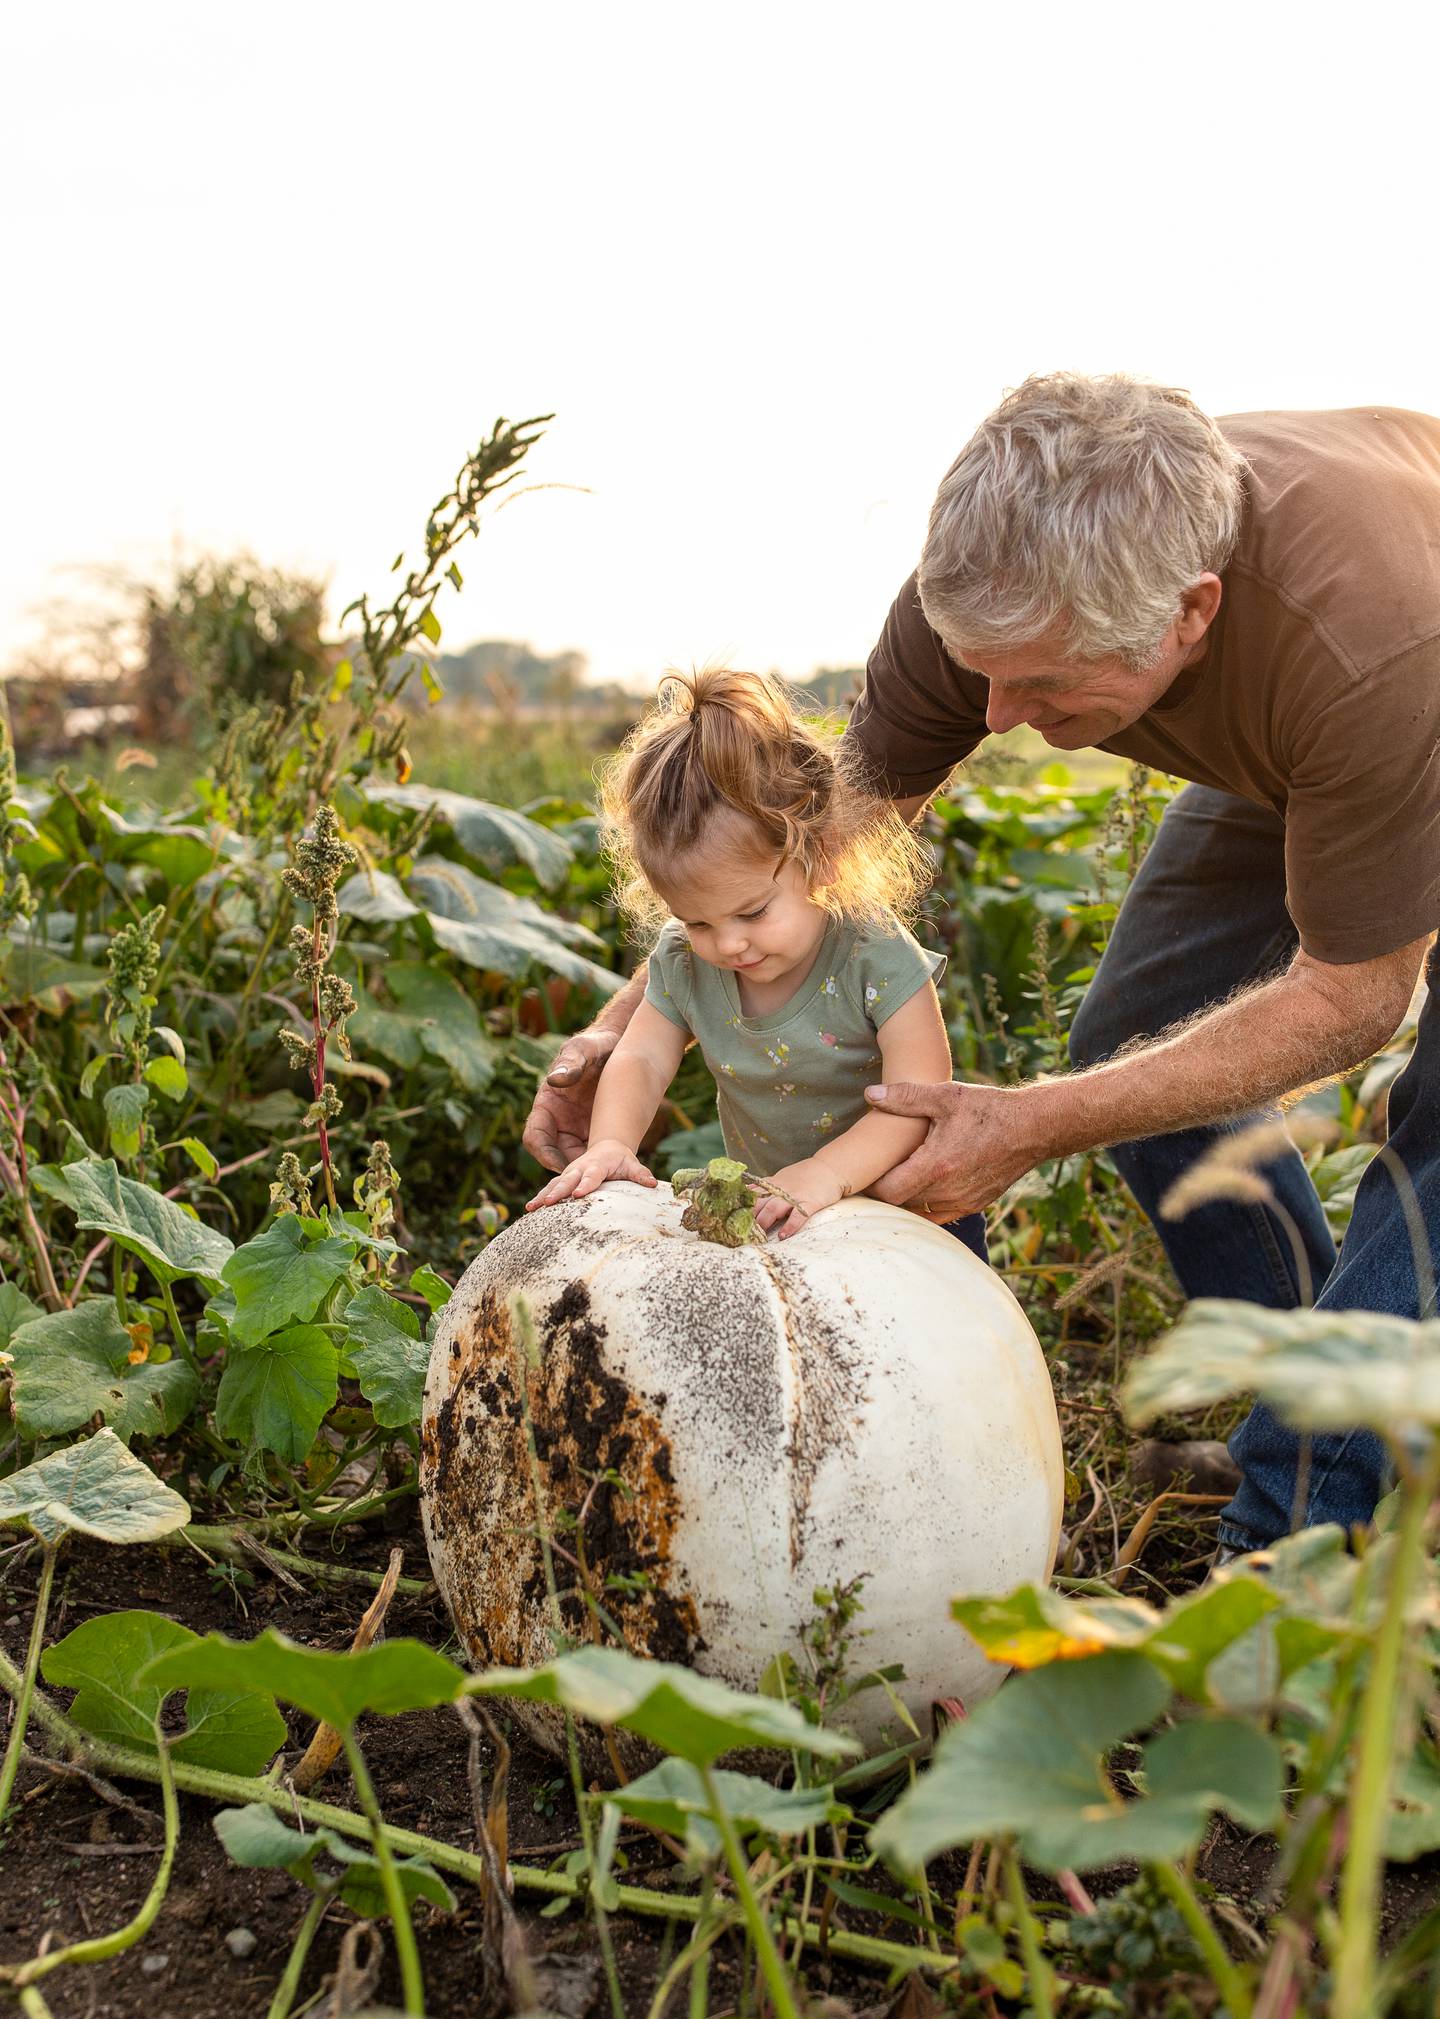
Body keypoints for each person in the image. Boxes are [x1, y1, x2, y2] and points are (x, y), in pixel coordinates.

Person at [525, 373, 1440, 1558]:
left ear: (1190, 613)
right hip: (1323, 747)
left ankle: (1292, 1547)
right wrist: (616, 1033)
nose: (995, 711)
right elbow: (803, 856)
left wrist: (1030, 1123)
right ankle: (1312, 1396)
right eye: (979, 667)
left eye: (1047, 682)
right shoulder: (987, 597)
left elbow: (1354, 999)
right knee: (1138, 1033)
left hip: (1402, 691)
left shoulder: (1367, 648)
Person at [525, 666, 987, 1251]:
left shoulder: (874, 954)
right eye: (697, 921)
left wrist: (823, 1176)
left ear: (820, 857)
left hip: (912, 1212)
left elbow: (919, 1100)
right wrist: (611, 1144)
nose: (728, 945)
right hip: (778, 1212)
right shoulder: (686, 962)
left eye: (753, 912)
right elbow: (640, 1056)